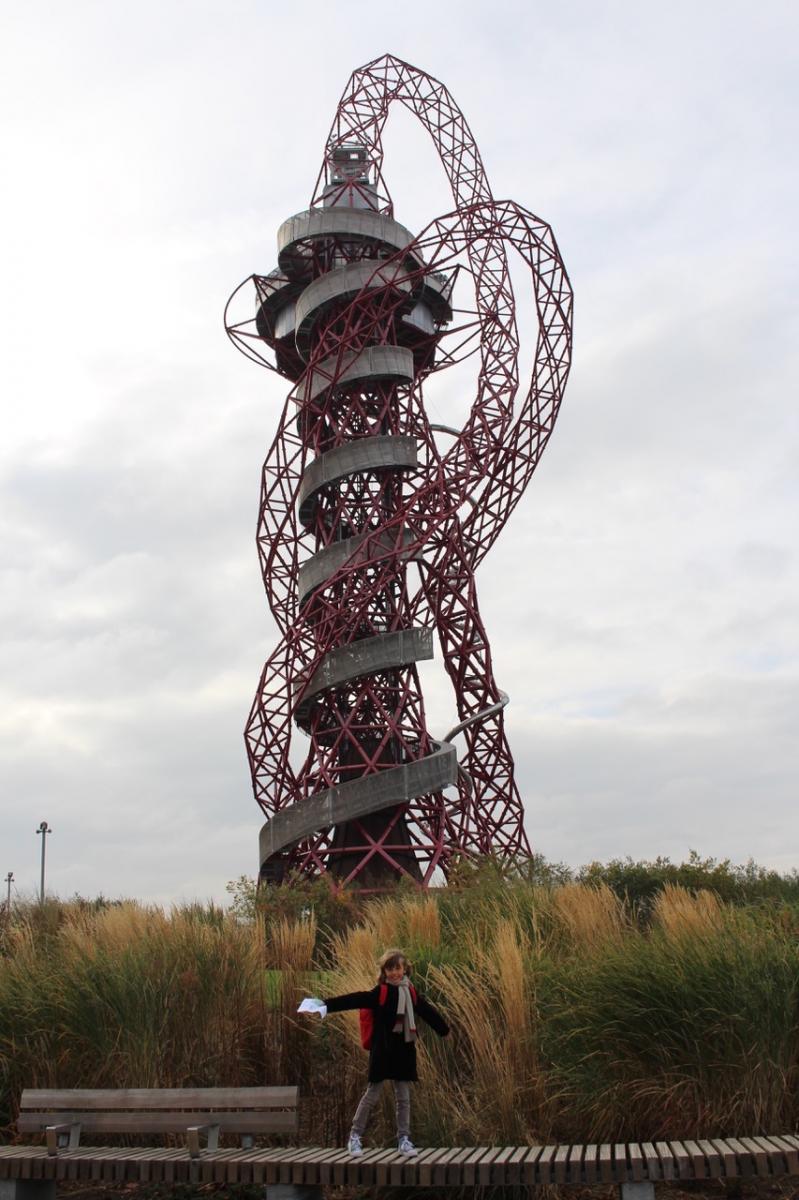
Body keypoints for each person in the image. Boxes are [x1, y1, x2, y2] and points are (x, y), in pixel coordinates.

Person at [300, 947, 449, 1156]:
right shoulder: (381, 992)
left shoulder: (411, 993)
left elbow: (427, 1012)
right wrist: (325, 1005)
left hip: (404, 1050)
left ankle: (404, 1139)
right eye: (390, 969)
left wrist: (444, 1030)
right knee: (372, 1095)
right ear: (384, 972)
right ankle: (354, 1137)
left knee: (403, 1098)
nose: (395, 973)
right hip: (383, 1050)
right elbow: (355, 999)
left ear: (405, 969)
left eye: (398, 968)